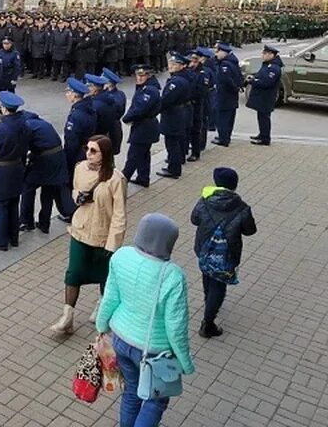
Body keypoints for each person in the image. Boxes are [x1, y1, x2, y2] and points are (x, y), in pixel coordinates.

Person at [95, 213, 196, 426]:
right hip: (154, 351)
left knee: (131, 390)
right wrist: (185, 363)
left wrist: (101, 325)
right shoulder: (172, 275)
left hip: (120, 340)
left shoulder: (121, 256)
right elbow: (176, 326)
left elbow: (110, 297)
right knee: (155, 400)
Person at [50, 135, 126, 333]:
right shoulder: (80, 168)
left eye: (94, 151)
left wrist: (113, 244)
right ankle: (67, 317)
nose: (88, 154)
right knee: (73, 272)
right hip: (81, 230)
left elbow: (119, 215)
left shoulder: (116, 179)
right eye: (87, 149)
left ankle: (102, 305)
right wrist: (78, 197)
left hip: (103, 236)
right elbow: (75, 190)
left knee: (105, 276)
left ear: (105, 154)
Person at [190, 167, 257, 338]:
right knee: (219, 285)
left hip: (205, 248)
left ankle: (208, 302)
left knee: (207, 275)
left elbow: (194, 219)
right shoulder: (242, 207)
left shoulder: (205, 200)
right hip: (226, 254)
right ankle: (208, 323)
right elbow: (250, 230)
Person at [0, 91, 31, 249]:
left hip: (1, 171)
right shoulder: (24, 124)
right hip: (17, 168)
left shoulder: (2, 129)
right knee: (12, 204)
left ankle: (0, 241)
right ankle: (13, 238)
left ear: (4, 108)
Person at [19, 109, 69, 234]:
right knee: (48, 193)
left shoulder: (27, 126)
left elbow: (23, 149)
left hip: (45, 161)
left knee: (28, 188)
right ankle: (44, 224)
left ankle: (27, 221)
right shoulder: (42, 123)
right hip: (58, 158)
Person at [122, 64, 161, 188]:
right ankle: (143, 177)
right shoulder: (145, 87)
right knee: (143, 154)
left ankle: (122, 180)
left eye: (142, 75)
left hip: (144, 127)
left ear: (149, 75)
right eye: (138, 75)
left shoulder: (149, 90)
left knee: (133, 155)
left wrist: (126, 118)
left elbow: (139, 109)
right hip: (144, 125)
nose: (139, 78)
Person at [156, 53, 191, 180]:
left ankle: (174, 169)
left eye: (174, 64)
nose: (170, 66)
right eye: (170, 64)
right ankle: (172, 165)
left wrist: (156, 108)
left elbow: (166, 100)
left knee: (172, 144)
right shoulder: (180, 78)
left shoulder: (177, 82)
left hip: (173, 115)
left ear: (181, 66)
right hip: (177, 113)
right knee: (173, 142)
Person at [245, 44, 283, 146]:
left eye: (265, 53)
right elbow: (261, 76)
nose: (263, 55)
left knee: (264, 117)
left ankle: (265, 138)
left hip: (267, 96)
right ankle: (262, 134)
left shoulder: (274, 68)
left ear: (271, 55)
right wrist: (254, 77)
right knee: (261, 116)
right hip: (262, 96)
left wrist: (253, 81)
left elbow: (267, 82)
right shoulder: (267, 65)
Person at [212, 43, 242, 147]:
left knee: (223, 118)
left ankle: (223, 139)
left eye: (218, 52)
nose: (216, 54)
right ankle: (226, 137)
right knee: (229, 118)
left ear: (224, 52)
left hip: (225, 95)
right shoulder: (233, 62)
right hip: (231, 96)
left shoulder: (225, 64)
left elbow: (226, 80)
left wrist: (234, 88)